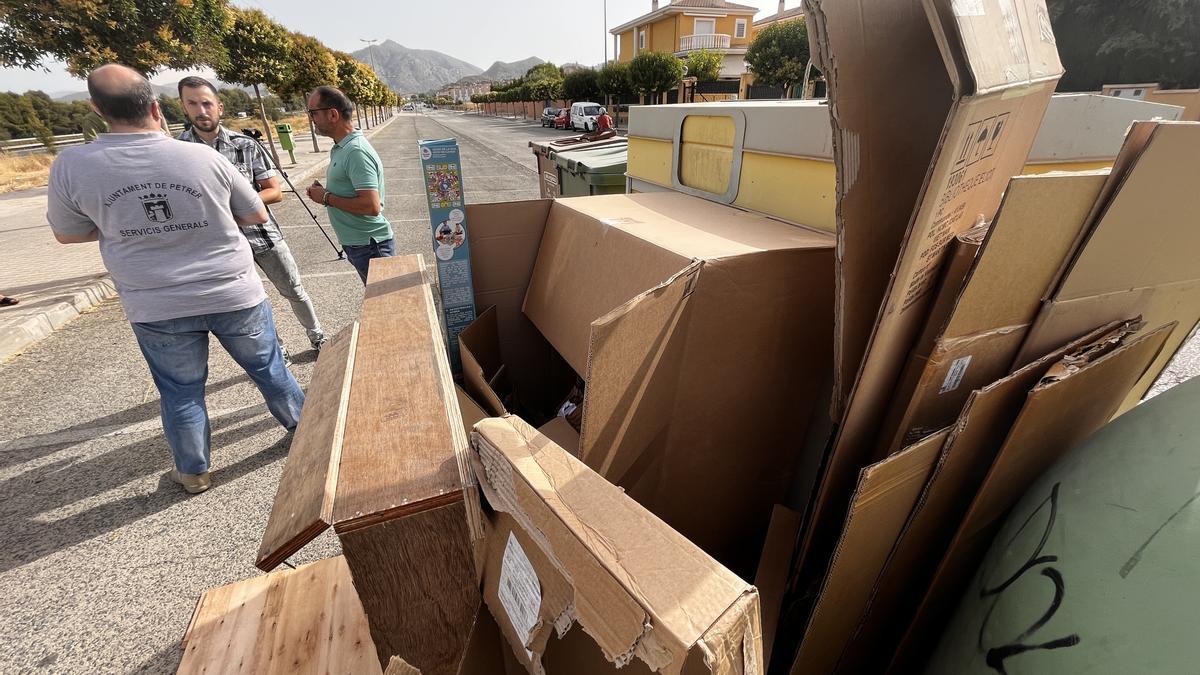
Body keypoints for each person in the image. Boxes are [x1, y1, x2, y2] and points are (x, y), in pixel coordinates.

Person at [46, 64, 305, 495]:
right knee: (268, 367)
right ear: (155, 106)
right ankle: (303, 430)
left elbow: (67, 232)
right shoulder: (201, 156)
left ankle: (194, 471)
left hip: (155, 301)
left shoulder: (73, 164)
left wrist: (115, 224)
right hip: (231, 288)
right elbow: (257, 213)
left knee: (180, 389)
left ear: (96, 109)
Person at [177, 75, 328, 352]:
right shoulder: (178, 152)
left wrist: (231, 208)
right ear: (183, 107)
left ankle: (317, 336)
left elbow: (275, 191)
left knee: (294, 290)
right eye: (193, 104)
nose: (201, 110)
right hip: (218, 246)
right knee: (251, 302)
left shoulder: (245, 145)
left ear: (220, 107)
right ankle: (276, 349)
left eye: (207, 103)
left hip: (264, 237)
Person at [303, 86, 393, 283]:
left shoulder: (355, 152)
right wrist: (325, 192)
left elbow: (371, 206)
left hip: (369, 246)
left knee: (386, 308)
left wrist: (326, 197)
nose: (311, 119)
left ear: (333, 114)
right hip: (360, 244)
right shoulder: (341, 147)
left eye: (313, 113)